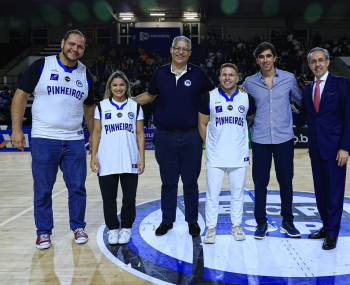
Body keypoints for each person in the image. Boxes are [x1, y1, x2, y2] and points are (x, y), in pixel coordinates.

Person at [10, 30, 95, 249]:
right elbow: (20, 96)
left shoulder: (86, 74)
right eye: (72, 44)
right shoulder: (41, 65)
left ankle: (78, 227)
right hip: (44, 138)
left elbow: (89, 107)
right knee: (43, 188)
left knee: (77, 187)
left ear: (83, 50)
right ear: (63, 43)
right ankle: (44, 231)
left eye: (80, 47)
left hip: (75, 140)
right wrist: (17, 129)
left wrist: (94, 136)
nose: (75, 49)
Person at [132, 36, 215, 237]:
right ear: (171, 50)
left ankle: (192, 221)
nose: (181, 52)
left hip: (191, 137)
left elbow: (215, 95)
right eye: (177, 48)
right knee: (168, 182)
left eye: (185, 49)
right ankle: (167, 220)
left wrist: (236, 90)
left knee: (190, 183)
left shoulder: (198, 73)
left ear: (189, 53)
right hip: (164, 137)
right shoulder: (160, 73)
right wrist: (126, 102)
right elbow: (150, 95)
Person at [242, 42, 302, 239]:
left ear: (275, 58)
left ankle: (288, 221)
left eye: (268, 56)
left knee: (286, 181)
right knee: (260, 182)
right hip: (260, 139)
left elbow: (300, 102)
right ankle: (261, 222)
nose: (265, 60)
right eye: (261, 57)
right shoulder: (249, 82)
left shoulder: (288, 78)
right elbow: (243, 106)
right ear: (257, 60)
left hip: (284, 137)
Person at [293, 47, 350, 250]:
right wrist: (280, 105)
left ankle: (333, 233)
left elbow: (348, 118)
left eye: (321, 60)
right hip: (316, 149)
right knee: (321, 193)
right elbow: (302, 117)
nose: (317, 64)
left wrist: (345, 148)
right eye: (313, 61)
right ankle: (326, 226)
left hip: (336, 151)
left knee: (334, 193)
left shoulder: (342, 84)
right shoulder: (307, 90)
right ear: (309, 65)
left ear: (327, 61)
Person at [198, 63, 255, 243]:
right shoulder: (209, 97)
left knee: (237, 194)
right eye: (224, 75)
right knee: (212, 194)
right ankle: (211, 227)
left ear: (237, 78)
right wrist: (210, 146)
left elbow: (250, 120)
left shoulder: (247, 98)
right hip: (215, 156)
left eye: (231, 75)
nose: (227, 78)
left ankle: (236, 225)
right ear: (219, 77)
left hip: (238, 155)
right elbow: (202, 124)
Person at [90, 71, 145, 245]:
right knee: (109, 197)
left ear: (127, 86)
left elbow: (140, 133)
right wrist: (94, 156)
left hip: (130, 158)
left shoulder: (135, 107)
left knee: (129, 197)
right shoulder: (102, 106)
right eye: (115, 85)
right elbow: (96, 132)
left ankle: (126, 228)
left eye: (122, 84)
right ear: (110, 87)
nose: (118, 88)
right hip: (107, 159)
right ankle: (113, 229)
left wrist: (142, 157)